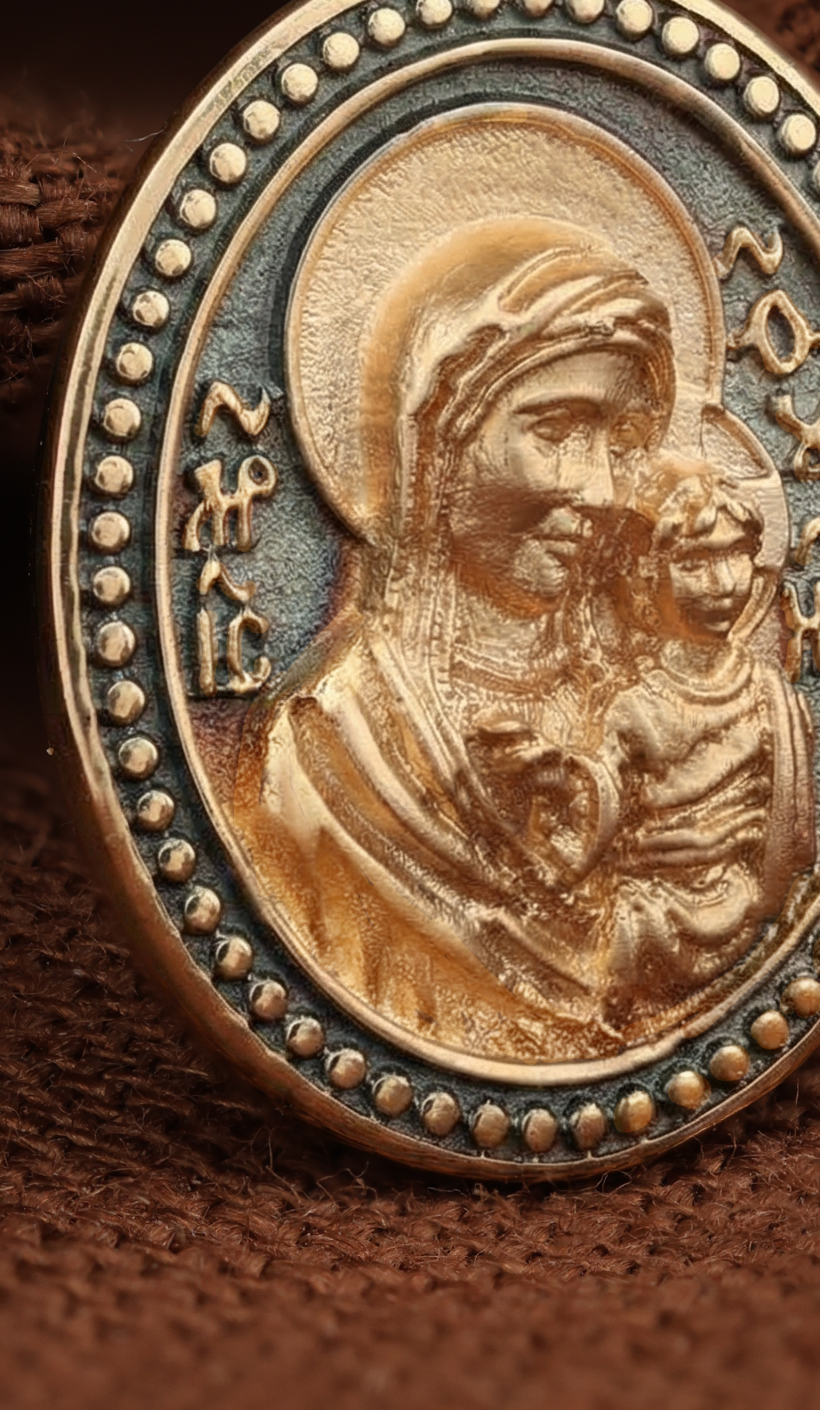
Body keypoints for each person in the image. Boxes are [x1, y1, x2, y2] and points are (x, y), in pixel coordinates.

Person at [229, 216, 675, 1062]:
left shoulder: (651, 707)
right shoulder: (333, 745)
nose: (601, 489)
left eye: (622, 444)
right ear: (441, 446)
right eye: (555, 432)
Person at [601, 457, 819, 1028]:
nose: (722, 584)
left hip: (748, 907)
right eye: (694, 563)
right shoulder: (627, 708)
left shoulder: (774, 697)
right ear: (649, 574)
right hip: (641, 923)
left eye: (735, 556)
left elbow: (794, 850)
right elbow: (593, 843)